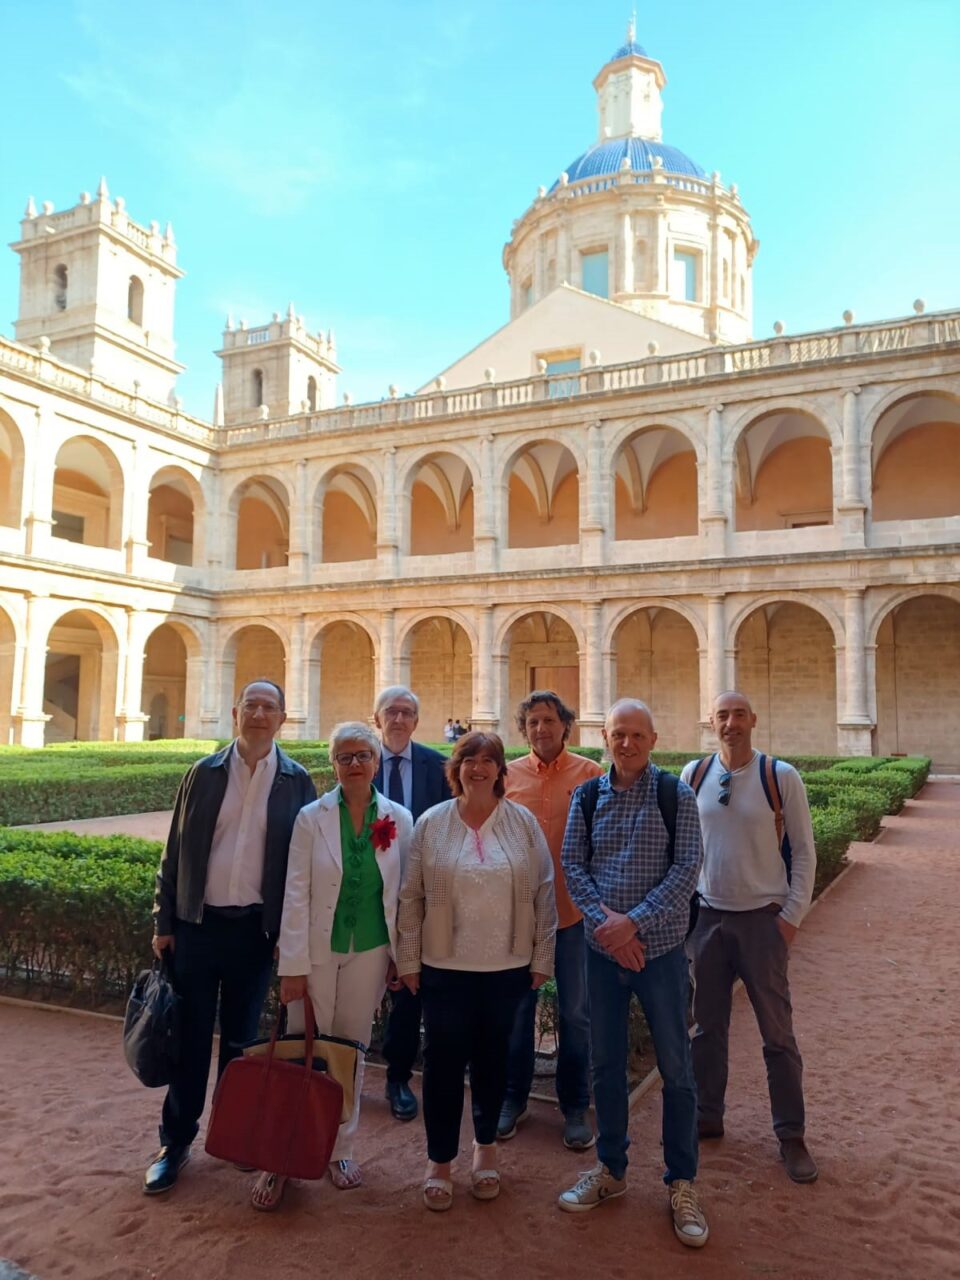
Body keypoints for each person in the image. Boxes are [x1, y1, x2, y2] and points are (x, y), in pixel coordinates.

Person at [145, 679, 317, 1195]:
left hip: (253, 931)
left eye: (269, 707)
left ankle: (234, 1133)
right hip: (198, 927)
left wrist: (291, 942)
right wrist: (163, 922)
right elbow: (174, 850)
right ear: (234, 712)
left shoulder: (296, 781)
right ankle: (174, 1144)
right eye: (251, 705)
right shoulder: (203, 773)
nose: (259, 714)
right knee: (190, 1042)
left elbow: (302, 868)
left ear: (283, 718)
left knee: (242, 1043)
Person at [558, 699, 709, 1249]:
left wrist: (634, 925)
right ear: (606, 736)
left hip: (661, 953)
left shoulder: (675, 794)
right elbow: (573, 864)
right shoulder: (589, 795)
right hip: (604, 955)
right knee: (606, 1064)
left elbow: (687, 867)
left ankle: (682, 1182)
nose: (626, 743)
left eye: (636, 734)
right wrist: (608, 927)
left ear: (653, 738)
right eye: (618, 734)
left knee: (676, 1066)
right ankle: (612, 1170)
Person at [250, 721, 413, 1208]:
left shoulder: (399, 818)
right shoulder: (310, 818)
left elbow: (404, 894)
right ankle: (282, 1156)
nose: (355, 764)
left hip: (369, 949)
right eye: (345, 757)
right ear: (333, 765)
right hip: (316, 952)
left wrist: (399, 959)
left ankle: (340, 1148)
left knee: (351, 1050)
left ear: (377, 761)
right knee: (302, 1049)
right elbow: (295, 891)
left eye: (363, 755)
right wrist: (293, 966)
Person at [397, 731, 557, 1211]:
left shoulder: (522, 823)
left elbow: (544, 893)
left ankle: (485, 1149)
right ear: (457, 768)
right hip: (444, 967)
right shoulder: (432, 823)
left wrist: (541, 958)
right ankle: (439, 1161)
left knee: (494, 1063)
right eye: (470, 759)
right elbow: (411, 897)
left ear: (501, 771)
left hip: (507, 968)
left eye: (489, 760)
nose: (479, 768)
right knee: (443, 1066)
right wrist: (408, 960)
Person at [681, 691, 819, 1183]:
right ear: (712, 722)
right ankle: (707, 1117)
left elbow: (804, 852)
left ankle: (791, 1136)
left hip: (762, 921)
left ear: (753, 720)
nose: (731, 723)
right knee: (706, 1029)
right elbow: (685, 851)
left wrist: (789, 919)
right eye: (723, 715)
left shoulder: (779, 776)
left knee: (777, 1035)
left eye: (739, 714)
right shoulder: (693, 775)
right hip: (710, 921)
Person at [500, 690, 603, 1149]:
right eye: (533, 722)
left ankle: (575, 1107)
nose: (541, 729)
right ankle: (512, 1099)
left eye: (549, 720)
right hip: (521, 917)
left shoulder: (591, 775)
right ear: (524, 730)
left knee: (576, 1015)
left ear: (567, 725)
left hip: (574, 915)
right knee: (517, 1013)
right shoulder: (507, 777)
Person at [372, 685, 452, 1121]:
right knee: (358, 989)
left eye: (406, 712)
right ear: (377, 719)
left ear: (416, 722)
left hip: (420, 899)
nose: (398, 719)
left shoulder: (439, 768)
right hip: (366, 899)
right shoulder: (357, 760)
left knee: (410, 993)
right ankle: (337, 1074)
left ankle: (397, 1077)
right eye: (391, 712)